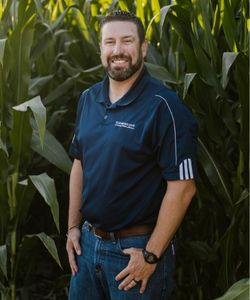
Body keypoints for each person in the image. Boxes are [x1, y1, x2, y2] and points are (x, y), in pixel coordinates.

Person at [66, 10, 198, 300]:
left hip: (135, 252)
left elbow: (184, 188)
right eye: (109, 42)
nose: (117, 50)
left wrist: (151, 256)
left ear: (143, 48)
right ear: (100, 48)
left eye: (127, 41)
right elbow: (80, 163)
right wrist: (73, 228)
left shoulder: (165, 107)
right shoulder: (88, 99)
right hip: (86, 247)